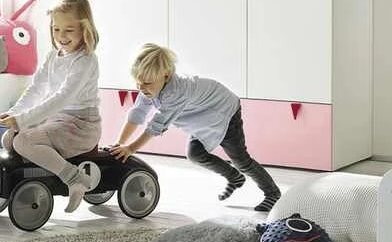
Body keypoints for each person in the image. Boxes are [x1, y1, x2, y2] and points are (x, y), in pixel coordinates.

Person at [111, 44, 282, 212]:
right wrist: (120, 143)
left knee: (241, 160)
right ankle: (234, 177)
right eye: (138, 82)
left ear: (166, 76)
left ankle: (272, 193)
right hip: (202, 118)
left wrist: (130, 149)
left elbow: (155, 126)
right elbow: (137, 113)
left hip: (224, 111)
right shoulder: (149, 88)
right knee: (195, 154)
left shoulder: (175, 92)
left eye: (146, 83)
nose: (141, 88)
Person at [0, 0, 102, 212]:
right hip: (57, 119)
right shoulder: (53, 56)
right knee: (9, 138)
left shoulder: (85, 60)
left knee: (23, 142)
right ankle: (36, 175)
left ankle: (75, 178)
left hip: (81, 125)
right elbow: (36, 88)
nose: (61, 36)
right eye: (56, 29)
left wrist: (24, 120)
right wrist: (15, 113)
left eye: (69, 30)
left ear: (84, 29)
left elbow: (63, 97)